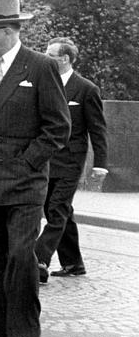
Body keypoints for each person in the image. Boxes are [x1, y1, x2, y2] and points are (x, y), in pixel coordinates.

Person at [0, 0, 69, 337]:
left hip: (23, 185)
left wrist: (26, 164)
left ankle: (29, 332)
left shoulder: (40, 67)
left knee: (21, 259)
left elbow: (57, 128)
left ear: (8, 31)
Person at [35, 37, 109, 282]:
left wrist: (100, 164)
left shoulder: (86, 89)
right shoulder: (45, 83)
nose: (45, 58)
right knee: (56, 208)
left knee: (57, 208)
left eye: (50, 54)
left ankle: (39, 258)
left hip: (71, 161)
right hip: (47, 159)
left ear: (64, 58)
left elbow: (97, 129)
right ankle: (74, 264)